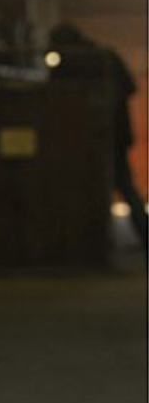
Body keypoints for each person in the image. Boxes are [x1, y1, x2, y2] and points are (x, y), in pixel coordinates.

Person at [48, 23, 148, 251]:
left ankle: (91, 242)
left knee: (88, 188)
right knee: (125, 187)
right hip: (114, 133)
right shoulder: (106, 57)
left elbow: (55, 95)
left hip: (84, 137)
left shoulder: (71, 61)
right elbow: (131, 88)